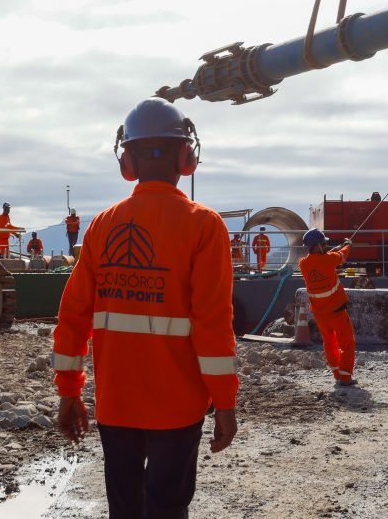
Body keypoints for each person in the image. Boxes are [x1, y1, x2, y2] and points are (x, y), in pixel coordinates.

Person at [53, 97, 238, 518]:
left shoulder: (103, 225)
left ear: (127, 162)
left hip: (117, 404)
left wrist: (69, 391)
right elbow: (213, 326)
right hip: (178, 406)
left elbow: (73, 316)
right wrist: (225, 403)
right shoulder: (204, 225)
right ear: (186, 156)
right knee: (167, 508)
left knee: (124, 509)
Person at [299, 228, 357, 387]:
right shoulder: (329, 259)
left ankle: (337, 373)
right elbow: (342, 256)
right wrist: (347, 245)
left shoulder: (303, 264)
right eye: (324, 244)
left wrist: (331, 251)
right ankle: (345, 377)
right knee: (347, 343)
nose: (326, 246)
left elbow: (320, 261)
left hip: (319, 313)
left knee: (329, 343)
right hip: (336, 311)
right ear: (317, 245)